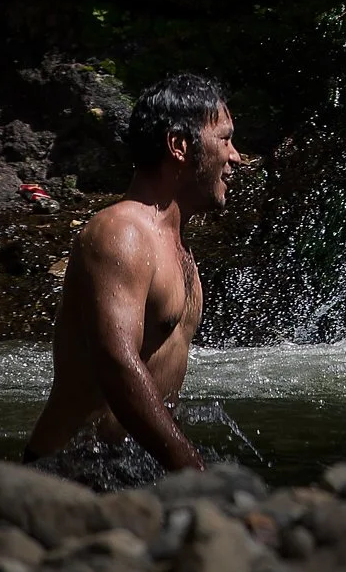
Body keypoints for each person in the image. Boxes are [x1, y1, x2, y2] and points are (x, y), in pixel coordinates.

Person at [25, 72, 252, 481]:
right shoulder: (121, 232)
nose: (237, 156)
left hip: (134, 462)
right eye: (225, 139)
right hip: (72, 471)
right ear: (180, 146)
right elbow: (116, 364)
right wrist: (192, 470)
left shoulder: (176, 245)